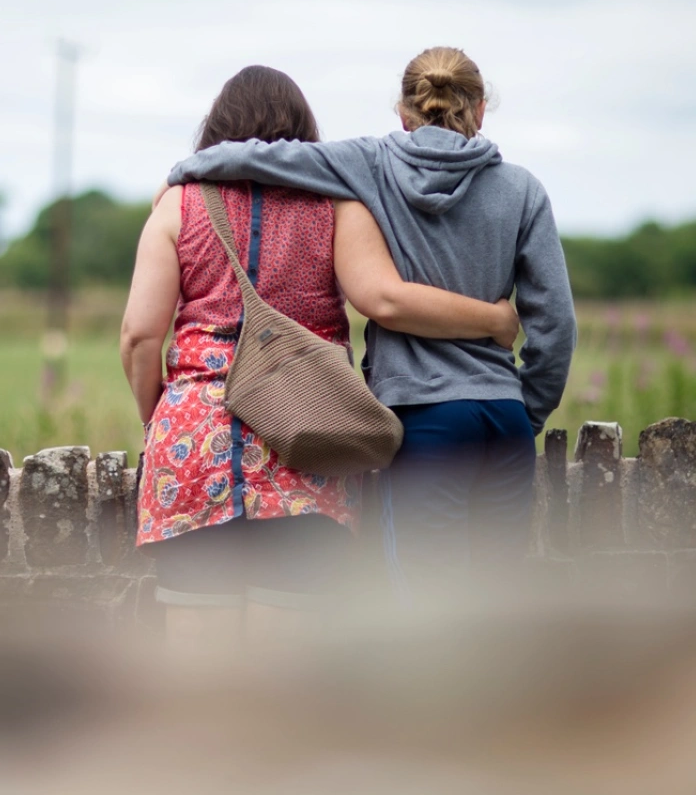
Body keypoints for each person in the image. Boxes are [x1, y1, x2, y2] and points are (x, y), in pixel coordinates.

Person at [121, 63, 520, 649]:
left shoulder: (178, 205)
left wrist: (160, 414)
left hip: (193, 442)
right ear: (304, 130)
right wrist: (494, 318)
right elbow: (379, 298)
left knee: (197, 664)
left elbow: (138, 336)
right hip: (306, 440)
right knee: (290, 668)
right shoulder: (337, 205)